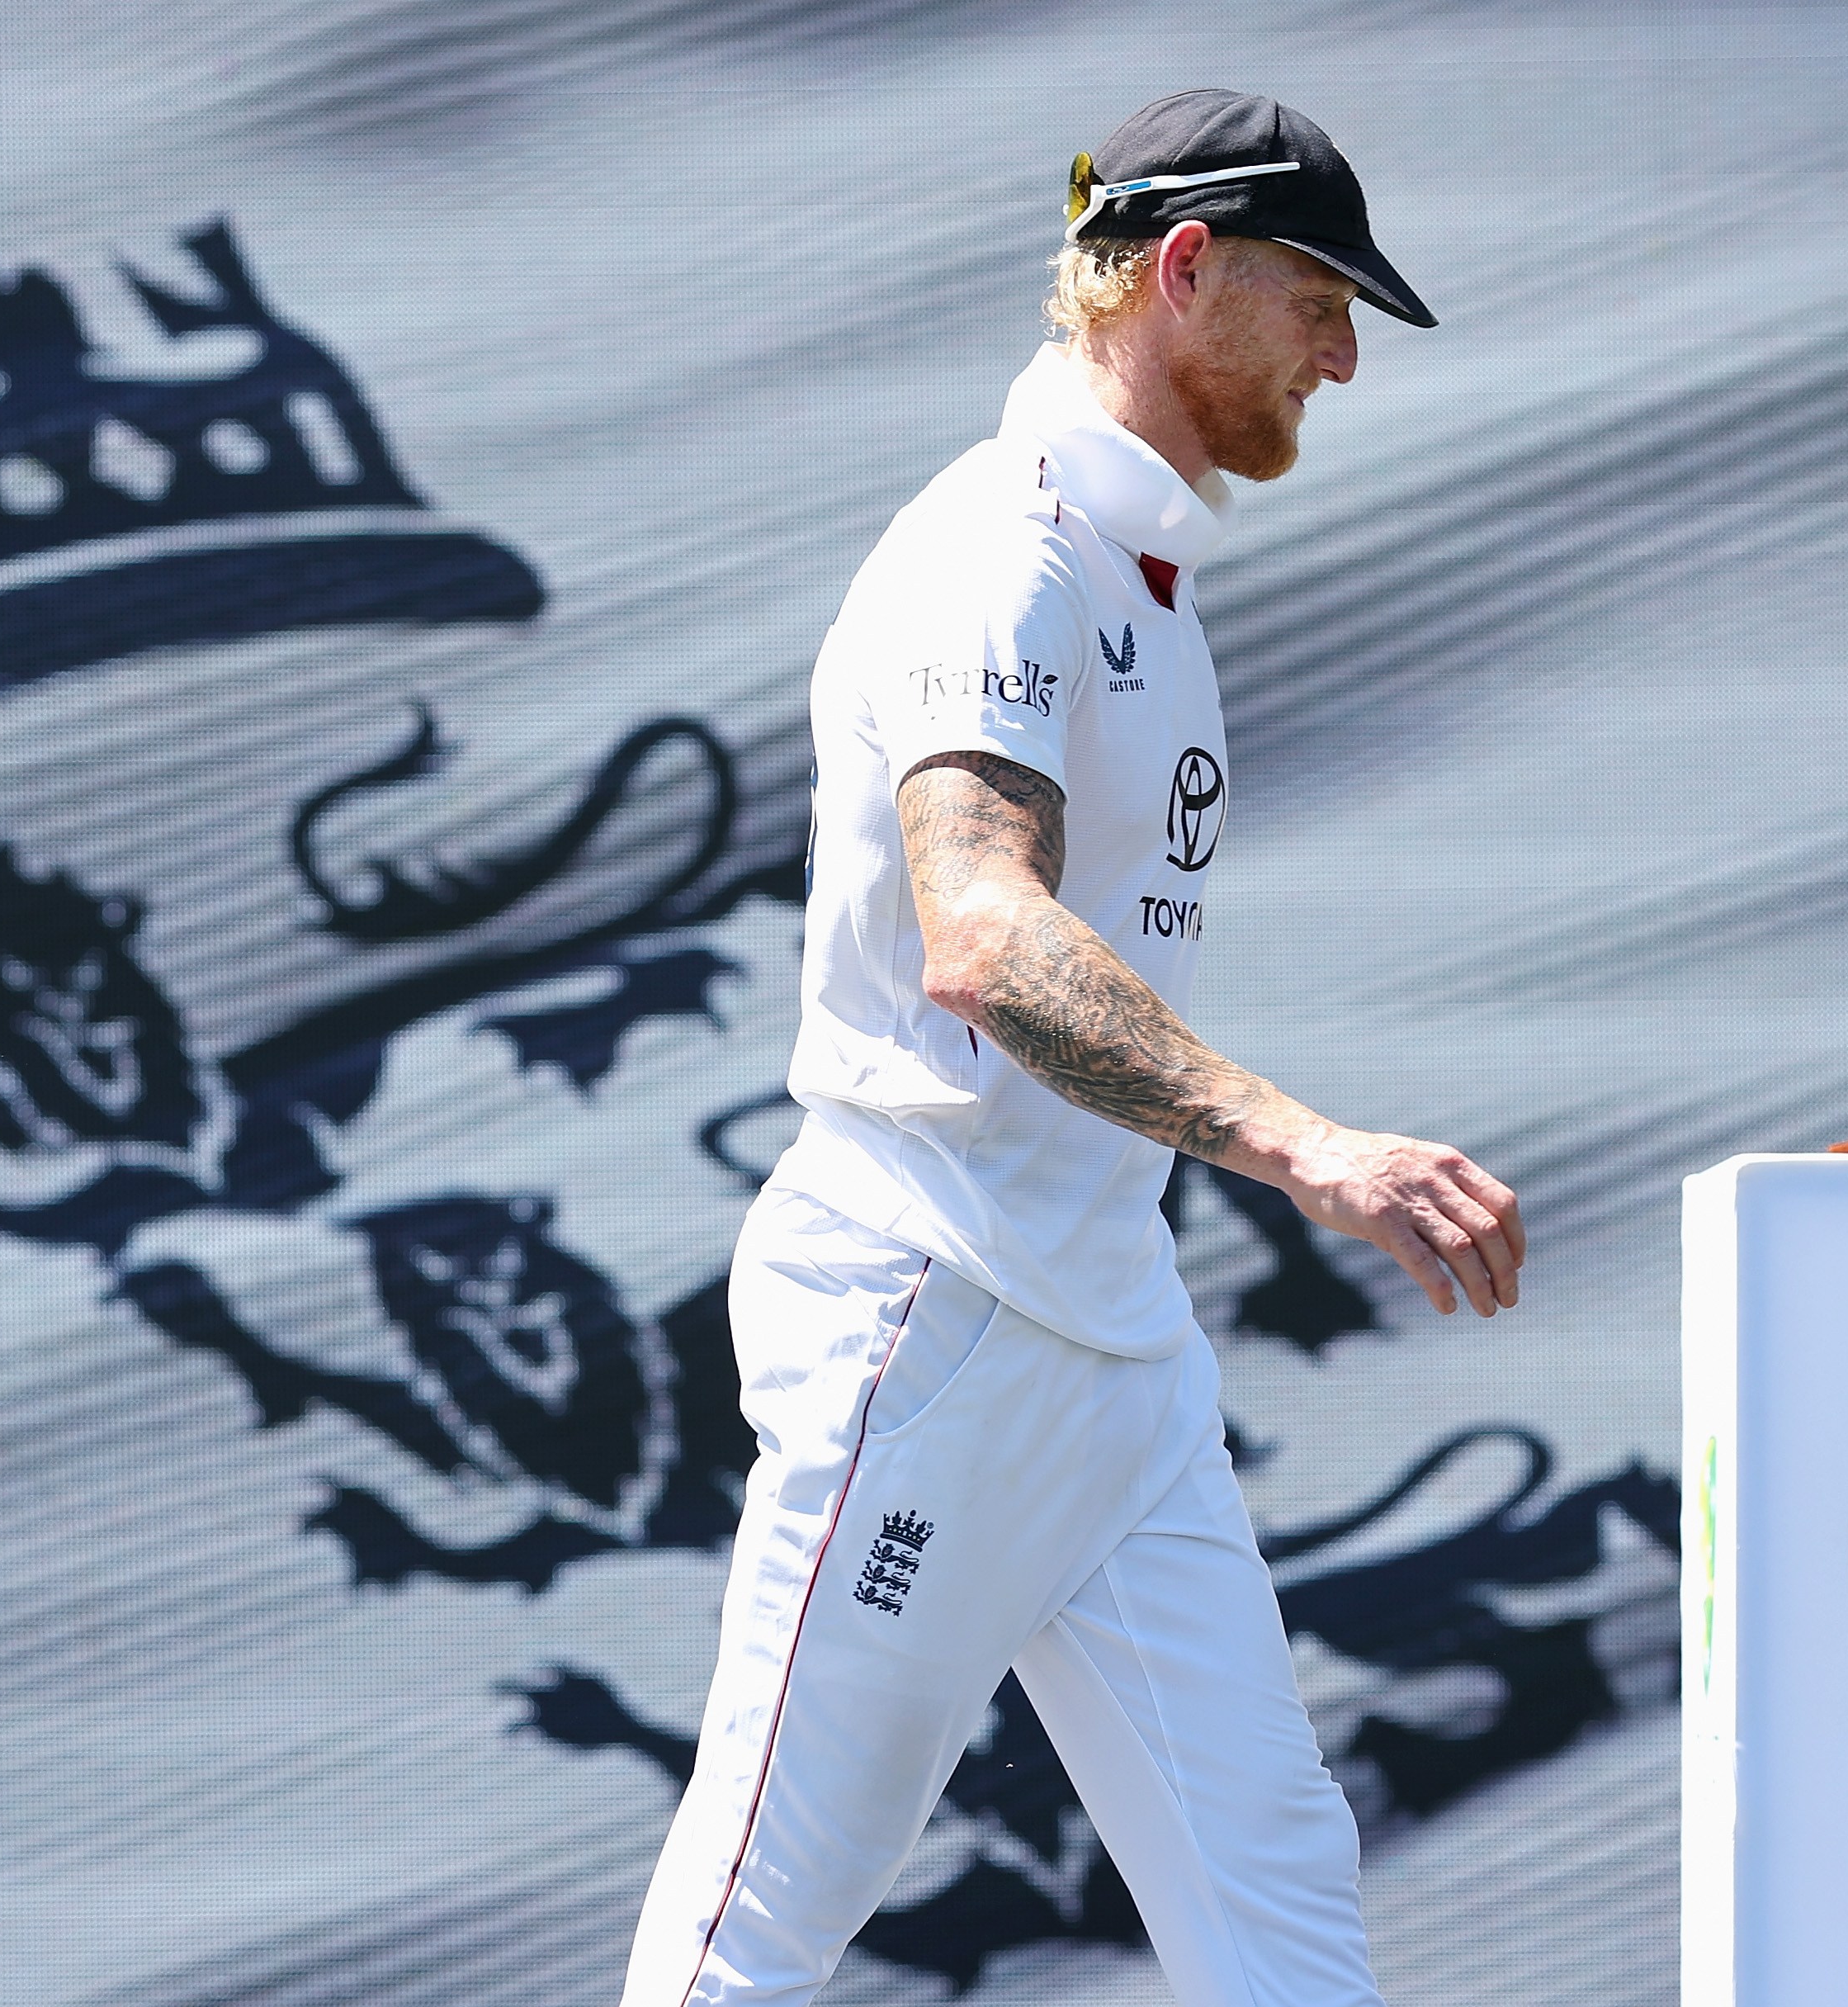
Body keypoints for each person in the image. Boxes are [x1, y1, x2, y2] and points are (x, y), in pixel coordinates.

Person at [619, 89, 1525, 2006]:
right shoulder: (1001, 551)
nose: (1347, 353)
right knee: (762, 1912)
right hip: (932, 1309)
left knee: (1272, 1880)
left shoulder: (1141, 581)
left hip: (1103, 1329)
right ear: (1183, 272)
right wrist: (1310, 1148)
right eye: (1321, 296)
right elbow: (984, 938)